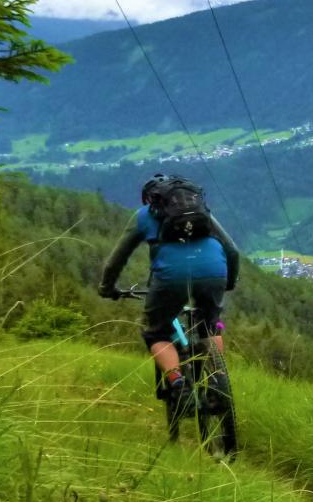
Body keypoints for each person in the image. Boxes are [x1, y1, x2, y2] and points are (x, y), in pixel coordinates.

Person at [98, 174, 241, 448]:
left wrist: (107, 287)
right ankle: (217, 379)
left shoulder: (144, 216)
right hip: (214, 272)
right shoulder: (200, 211)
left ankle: (177, 382)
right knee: (210, 325)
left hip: (170, 278)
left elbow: (117, 259)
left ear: (151, 199)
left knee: (157, 332)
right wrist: (229, 281)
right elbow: (232, 251)